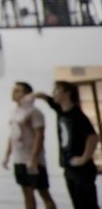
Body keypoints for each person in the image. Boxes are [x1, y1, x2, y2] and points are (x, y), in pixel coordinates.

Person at [34, 81, 100, 209]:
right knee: (77, 203)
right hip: (69, 168)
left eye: (57, 90)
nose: (54, 93)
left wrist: (84, 158)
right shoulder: (61, 110)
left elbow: (93, 137)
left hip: (82, 170)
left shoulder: (77, 115)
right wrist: (36, 96)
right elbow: (47, 98)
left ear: (67, 93)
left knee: (88, 204)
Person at [4, 82, 57, 209]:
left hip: (33, 159)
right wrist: (7, 155)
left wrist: (34, 159)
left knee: (43, 192)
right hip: (19, 158)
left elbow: (39, 136)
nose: (14, 92)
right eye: (14, 89)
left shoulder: (34, 112)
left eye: (18, 90)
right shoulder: (14, 112)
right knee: (27, 193)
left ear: (27, 94)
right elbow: (12, 135)